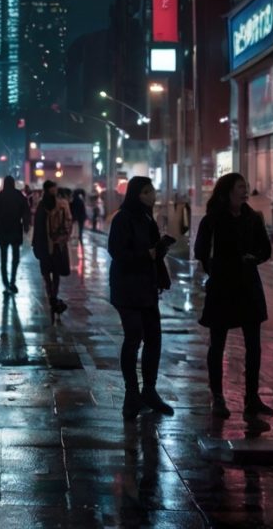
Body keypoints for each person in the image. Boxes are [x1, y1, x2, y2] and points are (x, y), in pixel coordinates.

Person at [194, 172, 273, 421]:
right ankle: (218, 396)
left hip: (248, 286)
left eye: (245, 186)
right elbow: (201, 250)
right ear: (227, 191)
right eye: (240, 187)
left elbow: (266, 249)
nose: (245, 191)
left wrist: (254, 258)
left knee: (254, 345)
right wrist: (217, 268)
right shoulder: (212, 220)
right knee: (217, 343)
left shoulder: (252, 218)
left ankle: (252, 398)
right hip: (222, 287)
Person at [108, 176, 175, 419]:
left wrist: (159, 251)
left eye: (152, 191)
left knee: (154, 338)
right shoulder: (123, 218)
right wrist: (146, 254)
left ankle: (149, 390)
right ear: (136, 194)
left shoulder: (148, 218)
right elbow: (117, 252)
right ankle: (131, 393)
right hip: (127, 288)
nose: (151, 195)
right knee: (133, 337)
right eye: (146, 192)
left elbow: (152, 252)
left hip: (147, 287)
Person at [0, 175, 30, 294]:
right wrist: (25, 226)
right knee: (16, 258)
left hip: (2, 230)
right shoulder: (19, 196)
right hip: (15, 229)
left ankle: (5, 283)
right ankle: (13, 281)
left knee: (3, 257)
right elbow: (26, 212)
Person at [32, 180, 68, 315]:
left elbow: (67, 223)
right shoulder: (45, 206)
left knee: (53, 274)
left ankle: (53, 298)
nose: (55, 191)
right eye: (53, 188)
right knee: (49, 275)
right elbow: (37, 226)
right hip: (47, 245)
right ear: (48, 189)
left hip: (53, 245)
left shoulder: (58, 205)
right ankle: (53, 299)